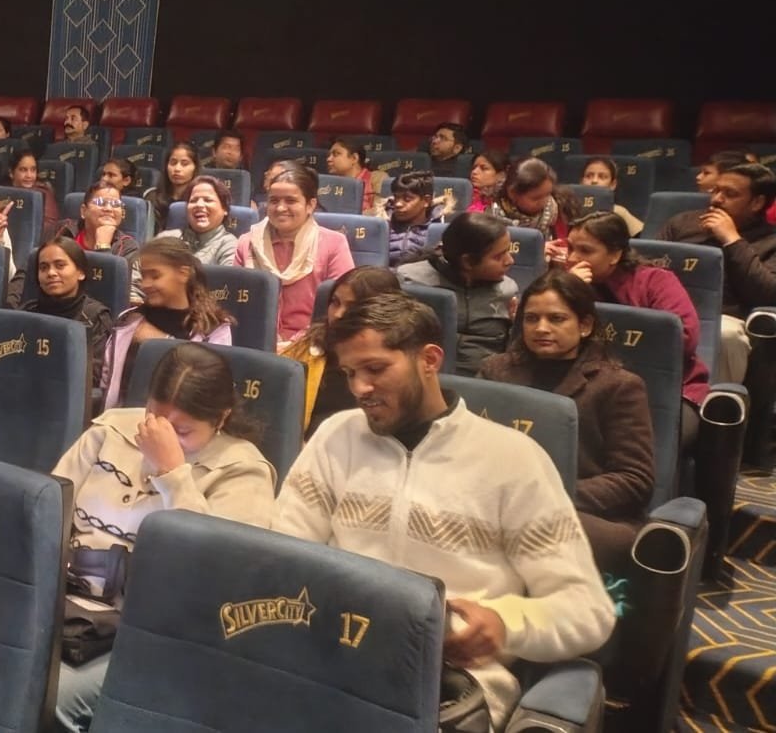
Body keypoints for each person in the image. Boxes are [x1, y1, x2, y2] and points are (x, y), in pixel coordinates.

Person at [274, 293, 615, 730]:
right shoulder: (335, 437)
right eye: (350, 373)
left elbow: (587, 611)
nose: (360, 388)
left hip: (450, 684)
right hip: (328, 658)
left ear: (429, 360)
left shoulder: (513, 460)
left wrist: (505, 623)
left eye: (375, 369)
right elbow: (283, 558)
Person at [52, 343, 277, 733]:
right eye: (154, 418)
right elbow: (50, 512)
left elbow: (218, 573)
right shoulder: (111, 430)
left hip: (151, 630)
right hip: (68, 607)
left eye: (182, 431)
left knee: (48, 696)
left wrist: (172, 472)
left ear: (221, 418)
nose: (162, 435)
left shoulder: (243, 471)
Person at [480, 271, 655, 571]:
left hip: (586, 513)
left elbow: (634, 480)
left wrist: (545, 495)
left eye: (556, 319)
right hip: (499, 501)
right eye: (531, 319)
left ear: (584, 326)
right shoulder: (495, 371)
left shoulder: (618, 386)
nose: (541, 328)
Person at [567, 211, 709, 415]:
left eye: (585, 250)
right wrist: (570, 291)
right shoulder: (569, 283)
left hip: (665, 386)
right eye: (570, 248)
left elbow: (684, 338)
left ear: (615, 255)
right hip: (591, 385)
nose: (572, 258)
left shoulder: (656, 281)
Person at [659, 161, 776, 384]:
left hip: (725, 318)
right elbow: (648, 266)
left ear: (757, 202)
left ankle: (716, 400)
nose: (716, 199)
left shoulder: (770, 240)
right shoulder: (682, 223)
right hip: (670, 310)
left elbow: (768, 294)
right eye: (716, 190)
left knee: (725, 335)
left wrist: (732, 240)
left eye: (729, 194)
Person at [101, 238, 232, 408]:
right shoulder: (128, 321)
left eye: (155, 276)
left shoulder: (213, 328)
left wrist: (163, 343)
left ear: (183, 274)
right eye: (143, 276)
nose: (145, 284)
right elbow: (107, 381)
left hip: (181, 419)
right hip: (122, 417)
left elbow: (210, 389)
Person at [238, 164, 356, 348]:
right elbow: (236, 305)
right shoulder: (247, 242)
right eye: (273, 200)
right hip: (253, 343)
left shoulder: (334, 244)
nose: (280, 208)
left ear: (310, 205)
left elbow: (341, 308)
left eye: (291, 201)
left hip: (314, 345)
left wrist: (294, 345)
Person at [282, 265, 403, 435]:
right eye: (335, 302)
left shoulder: (395, 368)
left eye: (352, 307)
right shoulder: (307, 349)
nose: (338, 314)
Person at [395, 212, 518, 375]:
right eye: (498, 256)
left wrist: (518, 325)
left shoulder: (507, 290)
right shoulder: (409, 280)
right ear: (468, 262)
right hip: (423, 374)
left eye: (508, 252)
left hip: (483, 379)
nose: (510, 261)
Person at [11, 238, 113, 382]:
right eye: (43, 268)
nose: (51, 273)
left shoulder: (95, 317)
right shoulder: (27, 312)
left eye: (60, 265)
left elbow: (92, 377)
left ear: (81, 272)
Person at [488, 158, 577, 264]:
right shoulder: (490, 217)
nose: (545, 202)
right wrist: (534, 251)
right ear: (512, 193)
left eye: (548, 194)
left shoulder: (559, 210)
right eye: (536, 198)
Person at [155, 174, 237, 265]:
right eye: (193, 200)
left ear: (225, 209)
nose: (199, 205)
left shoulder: (230, 245)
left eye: (208, 200)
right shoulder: (166, 238)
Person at [386, 170, 447, 267]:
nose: (398, 204)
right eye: (396, 197)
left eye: (407, 199)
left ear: (426, 201)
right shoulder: (383, 223)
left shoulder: (442, 227)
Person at [578, 157, 643, 235]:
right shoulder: (571, 208)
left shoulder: (618, 211)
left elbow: (644, 236)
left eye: (602, 177)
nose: (594, 181)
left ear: (613, 185)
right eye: (589, 176)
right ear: (581, 181)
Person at [7, 147, 61, 239]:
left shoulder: (43, 193)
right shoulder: (3, 192)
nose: (29, 175)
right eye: (23, 170)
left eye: (33, 170)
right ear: (11, 173)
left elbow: (48, 228)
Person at [145, 143, 200, 231]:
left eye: (184, 164)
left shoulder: (200, 199)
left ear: (195, 168)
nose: (177, 169)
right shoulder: (152, 197)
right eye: (173, 163)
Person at [325, 138, 386, 215]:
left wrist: (351, 218)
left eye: (336, 154)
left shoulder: (377, 178)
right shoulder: (327, 185)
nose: (328, 159)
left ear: (354, 158)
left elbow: (380, 211)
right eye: (329, 155)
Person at [466, 149, 509, 214]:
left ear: (501, 175)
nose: (474, 172)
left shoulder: (508, 201)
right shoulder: (464, 194)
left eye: (484, 168)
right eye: (474, 168)